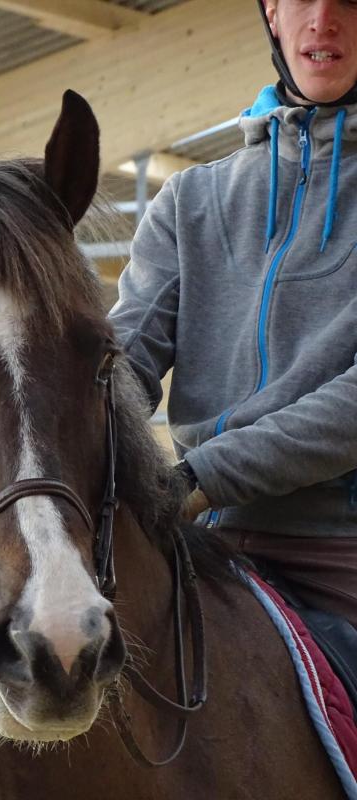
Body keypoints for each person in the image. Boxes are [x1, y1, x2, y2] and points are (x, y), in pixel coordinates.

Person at [109, 0, 357, 629]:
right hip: (201, 540)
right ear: (273, 12)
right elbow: (120, 367)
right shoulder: (189, 200)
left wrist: (201, 476)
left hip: (336, 548)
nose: (324, 19)